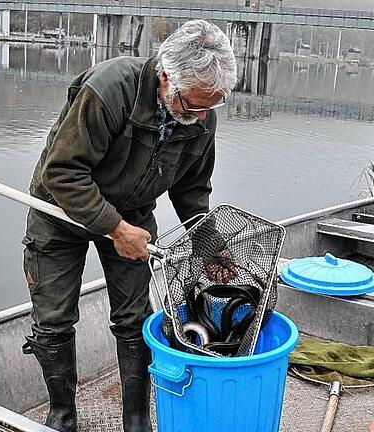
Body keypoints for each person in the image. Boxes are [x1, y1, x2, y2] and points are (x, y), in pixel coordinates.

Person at [21, 19, 238, 432]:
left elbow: (192, 191)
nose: (201, 116)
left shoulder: (201, 119)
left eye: (211, 106)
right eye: (193, 105)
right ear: (165, 78)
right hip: (61, 210)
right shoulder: (108, 89)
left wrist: (210, 243)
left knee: (135, 318)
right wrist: (114, 228)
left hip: (133, 210)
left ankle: (136, 419)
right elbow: (62, 172)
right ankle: (63, 414)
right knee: (53, 319)